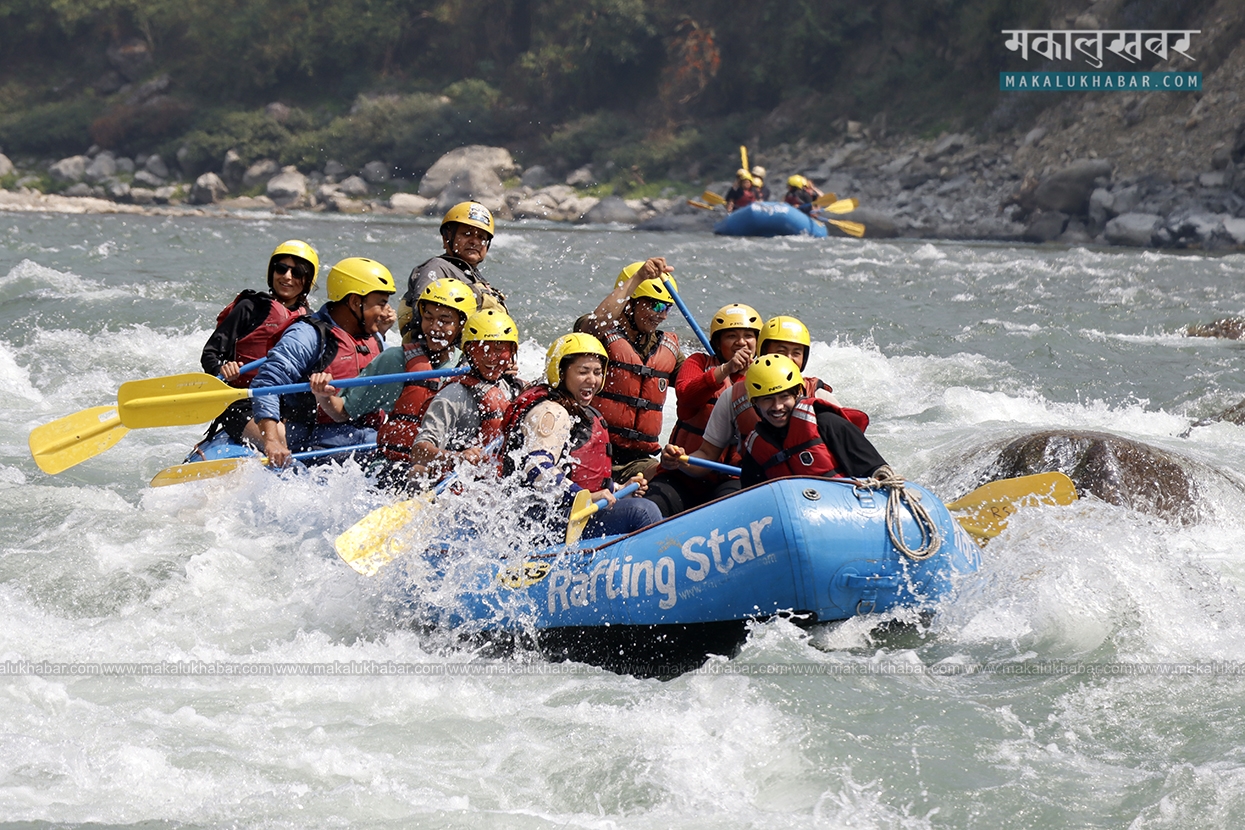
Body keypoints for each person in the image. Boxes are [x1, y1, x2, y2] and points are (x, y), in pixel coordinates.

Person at [660, 315, 863, 486]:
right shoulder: (733, 397)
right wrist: (681, 460)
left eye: (796, 353)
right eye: (781, 351)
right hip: (759, 485)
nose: (788, 359)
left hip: (814, 485)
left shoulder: (819, 397)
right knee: (728, 495)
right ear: (763, 353)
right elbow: (707, 453)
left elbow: (853, 449)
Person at [311, 277, 476, 484]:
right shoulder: (396, 360)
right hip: (394, 468)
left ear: (462, 326)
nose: (434, 327)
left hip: (449, 470)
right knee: (419, 474)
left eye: (445, 320)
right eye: (428, 317)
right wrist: (323, 395)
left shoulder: (472, 367)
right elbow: (342, 411)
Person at [500, 333, 660, 545]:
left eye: (596, 372)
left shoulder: (580, 411)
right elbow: (536, 468)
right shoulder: (552, 411)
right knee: (642, 512)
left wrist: (621, 489)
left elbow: (582, 475)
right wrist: (582, 498)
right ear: (561, 372)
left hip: (563, 512)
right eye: (582, 372)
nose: (592, 380)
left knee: (644, 504)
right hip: (536, 520)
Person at [251, 257, 397, 468]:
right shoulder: (308, 335)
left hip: (370, 441)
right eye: (381, 303)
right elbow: (267, 384)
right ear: (356, 302)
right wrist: (272, 441)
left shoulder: (374, 337)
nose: (386, 311)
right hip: (319, 448)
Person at [645, 302, 760, 517]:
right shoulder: (697, 362)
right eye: (731, 336)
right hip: (684, 472)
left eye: (748, 335)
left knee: (728, 510)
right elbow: (686, 396)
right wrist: (726, 369)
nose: (741, 342)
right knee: (651, 506)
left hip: (731, 478)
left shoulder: (763, 376)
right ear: (717, 343)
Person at [199, 240, 318, 446]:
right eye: (281, 269)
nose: (287, 276)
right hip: (242, 402)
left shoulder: (311, 320)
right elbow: (210, 353)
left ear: (307, 280)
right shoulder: (250, 307)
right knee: (282, 442)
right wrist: (223, 368)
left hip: (287, 406)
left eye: (297, 272)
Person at [578, 259, 683, 483]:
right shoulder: (597, 334)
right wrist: (637, 279)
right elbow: (597, 324)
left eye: (667, 308)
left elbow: (695, 384)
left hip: (638, 460)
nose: (662, 315)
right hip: (591, 448)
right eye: (655, 306)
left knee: (670, 480)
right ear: (629, 304)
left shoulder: (668, 347)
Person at [406, 308, 524, 483]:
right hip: (457, 488)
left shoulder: (512, 388)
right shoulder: (453, 395)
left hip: (497, 484)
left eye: (500, 349)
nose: (491, 357)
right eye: (482, 349)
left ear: (512, 350)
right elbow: (419, 451)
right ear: (468, 350)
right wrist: (457, 456)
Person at [736, 355, 890, 488]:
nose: (777, 406)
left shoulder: (827, 423)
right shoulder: (755, 448)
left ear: (796, 394)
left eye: (784, 397)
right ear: (755, 403)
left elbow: (877, 472)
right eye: (767, 399)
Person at [398, 201, 506, 346]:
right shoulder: (436, 268)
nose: (475, 241)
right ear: (446, 237)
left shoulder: (474, 276)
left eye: (481, 237)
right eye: (467, 234)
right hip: (442, 361)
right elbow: (424, 322)